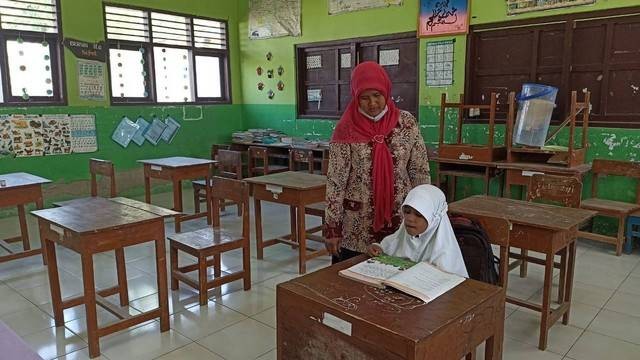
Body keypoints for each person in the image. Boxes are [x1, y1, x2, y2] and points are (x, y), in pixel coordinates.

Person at [324, 61, 430, 264]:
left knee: (396, 285)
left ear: (386, 93)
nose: (372, 103)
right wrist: (332, 227)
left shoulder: (406, 123)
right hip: (357, 228)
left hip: (402, 222)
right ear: (356, 97)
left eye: (377, 96)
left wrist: (425, 214)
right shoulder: (346, 128)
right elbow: (336, 183)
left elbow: (419, 172)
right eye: (364, 97)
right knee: (352, 287)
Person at [368, 184, 469, 278]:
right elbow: (390, 245)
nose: (410, 219)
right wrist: (377, 248)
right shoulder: (402, 236)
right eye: (407, 212)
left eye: (419, 214)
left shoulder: (445, 255)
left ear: (433, 219)